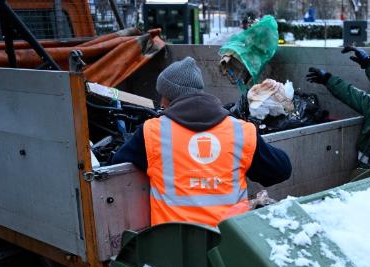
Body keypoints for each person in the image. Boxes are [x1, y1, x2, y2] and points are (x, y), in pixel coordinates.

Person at [113, 57, 291, 228]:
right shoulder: (241, 131)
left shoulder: (152, 133)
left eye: (162, 96)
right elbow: (281, 170)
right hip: (230, 244)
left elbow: (115, 168)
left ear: (168, 98)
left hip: (173, 247)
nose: (160, 102)